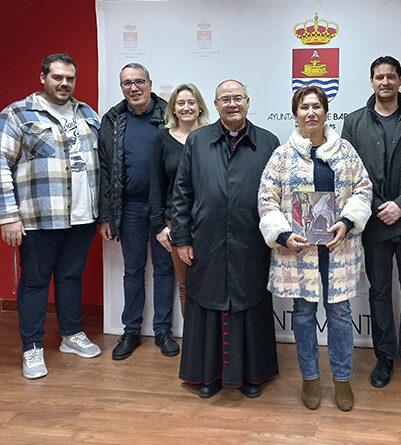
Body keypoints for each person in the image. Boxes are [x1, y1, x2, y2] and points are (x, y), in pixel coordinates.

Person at [0, 53, 102, 379]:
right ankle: (32, 347)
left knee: (70, 277)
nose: (64, 83)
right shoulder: (17, 115)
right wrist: (7, 216)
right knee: (35, 282)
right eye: (57, 77)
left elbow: (101, 165)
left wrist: (102, 213)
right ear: (43, 77)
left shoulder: (87, 114)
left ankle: (71, 335)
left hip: (82, 216)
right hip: (39, 218)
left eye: (70, 78)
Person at [258, 86, 372, 411]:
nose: (311, 112)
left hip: (339, 247)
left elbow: (363, 189)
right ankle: (310, 378)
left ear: (326, 112)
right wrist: (281, 234)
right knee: (304, 314)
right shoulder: (282, 156)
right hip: (300, 250)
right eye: (304, 107)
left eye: (316, 106)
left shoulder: (345, 151)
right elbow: (267, 199)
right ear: (295, 114)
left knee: (339, 314)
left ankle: (342, 379)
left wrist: (348, 221)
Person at [171, 80, 280, 399]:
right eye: (225, 99)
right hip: (207, 240)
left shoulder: (268, 141)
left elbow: (280, 194)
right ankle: (208, 375)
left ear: (248, 102)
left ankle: (253, 374)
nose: (232, 104)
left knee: (251, 302)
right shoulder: (197, 140)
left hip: (252, 241)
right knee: (207, 302)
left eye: (238, 99)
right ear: (216, 105)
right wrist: (181, 238)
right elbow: (181, 193)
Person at [341, 56, 401, 389]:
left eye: (391, 77)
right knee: (379, 292)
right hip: (373, 223)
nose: (385, 82)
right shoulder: (354, 122)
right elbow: (348, 174)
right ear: (371, 81)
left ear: (400, 80)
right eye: (379, 77)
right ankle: (384, 356)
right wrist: (381, 205)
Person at [98, 63, 179, 360]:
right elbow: (105, 169)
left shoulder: (168, 114)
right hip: (128, 207)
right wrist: (105, 215)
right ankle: (131, 330)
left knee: (164, 269)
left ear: (150, 83)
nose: (133, 88)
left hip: (162, 208)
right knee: (132, 270)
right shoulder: (113, 118)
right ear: (121, 87)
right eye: (127, 83)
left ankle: (163, 331)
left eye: (139, 81)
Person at [149, 83, 210, 318]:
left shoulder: (211, 134)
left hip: (208, 221)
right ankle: (194, 348)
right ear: (173, 108)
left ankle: (212, 341)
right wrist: (160, 226)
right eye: (181, 103)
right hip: (176, 223)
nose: (186, 107)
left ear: (200, 106)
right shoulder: (163, 138)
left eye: (191, 102)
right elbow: (156, 184)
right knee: (185, 286)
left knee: (210, 285)